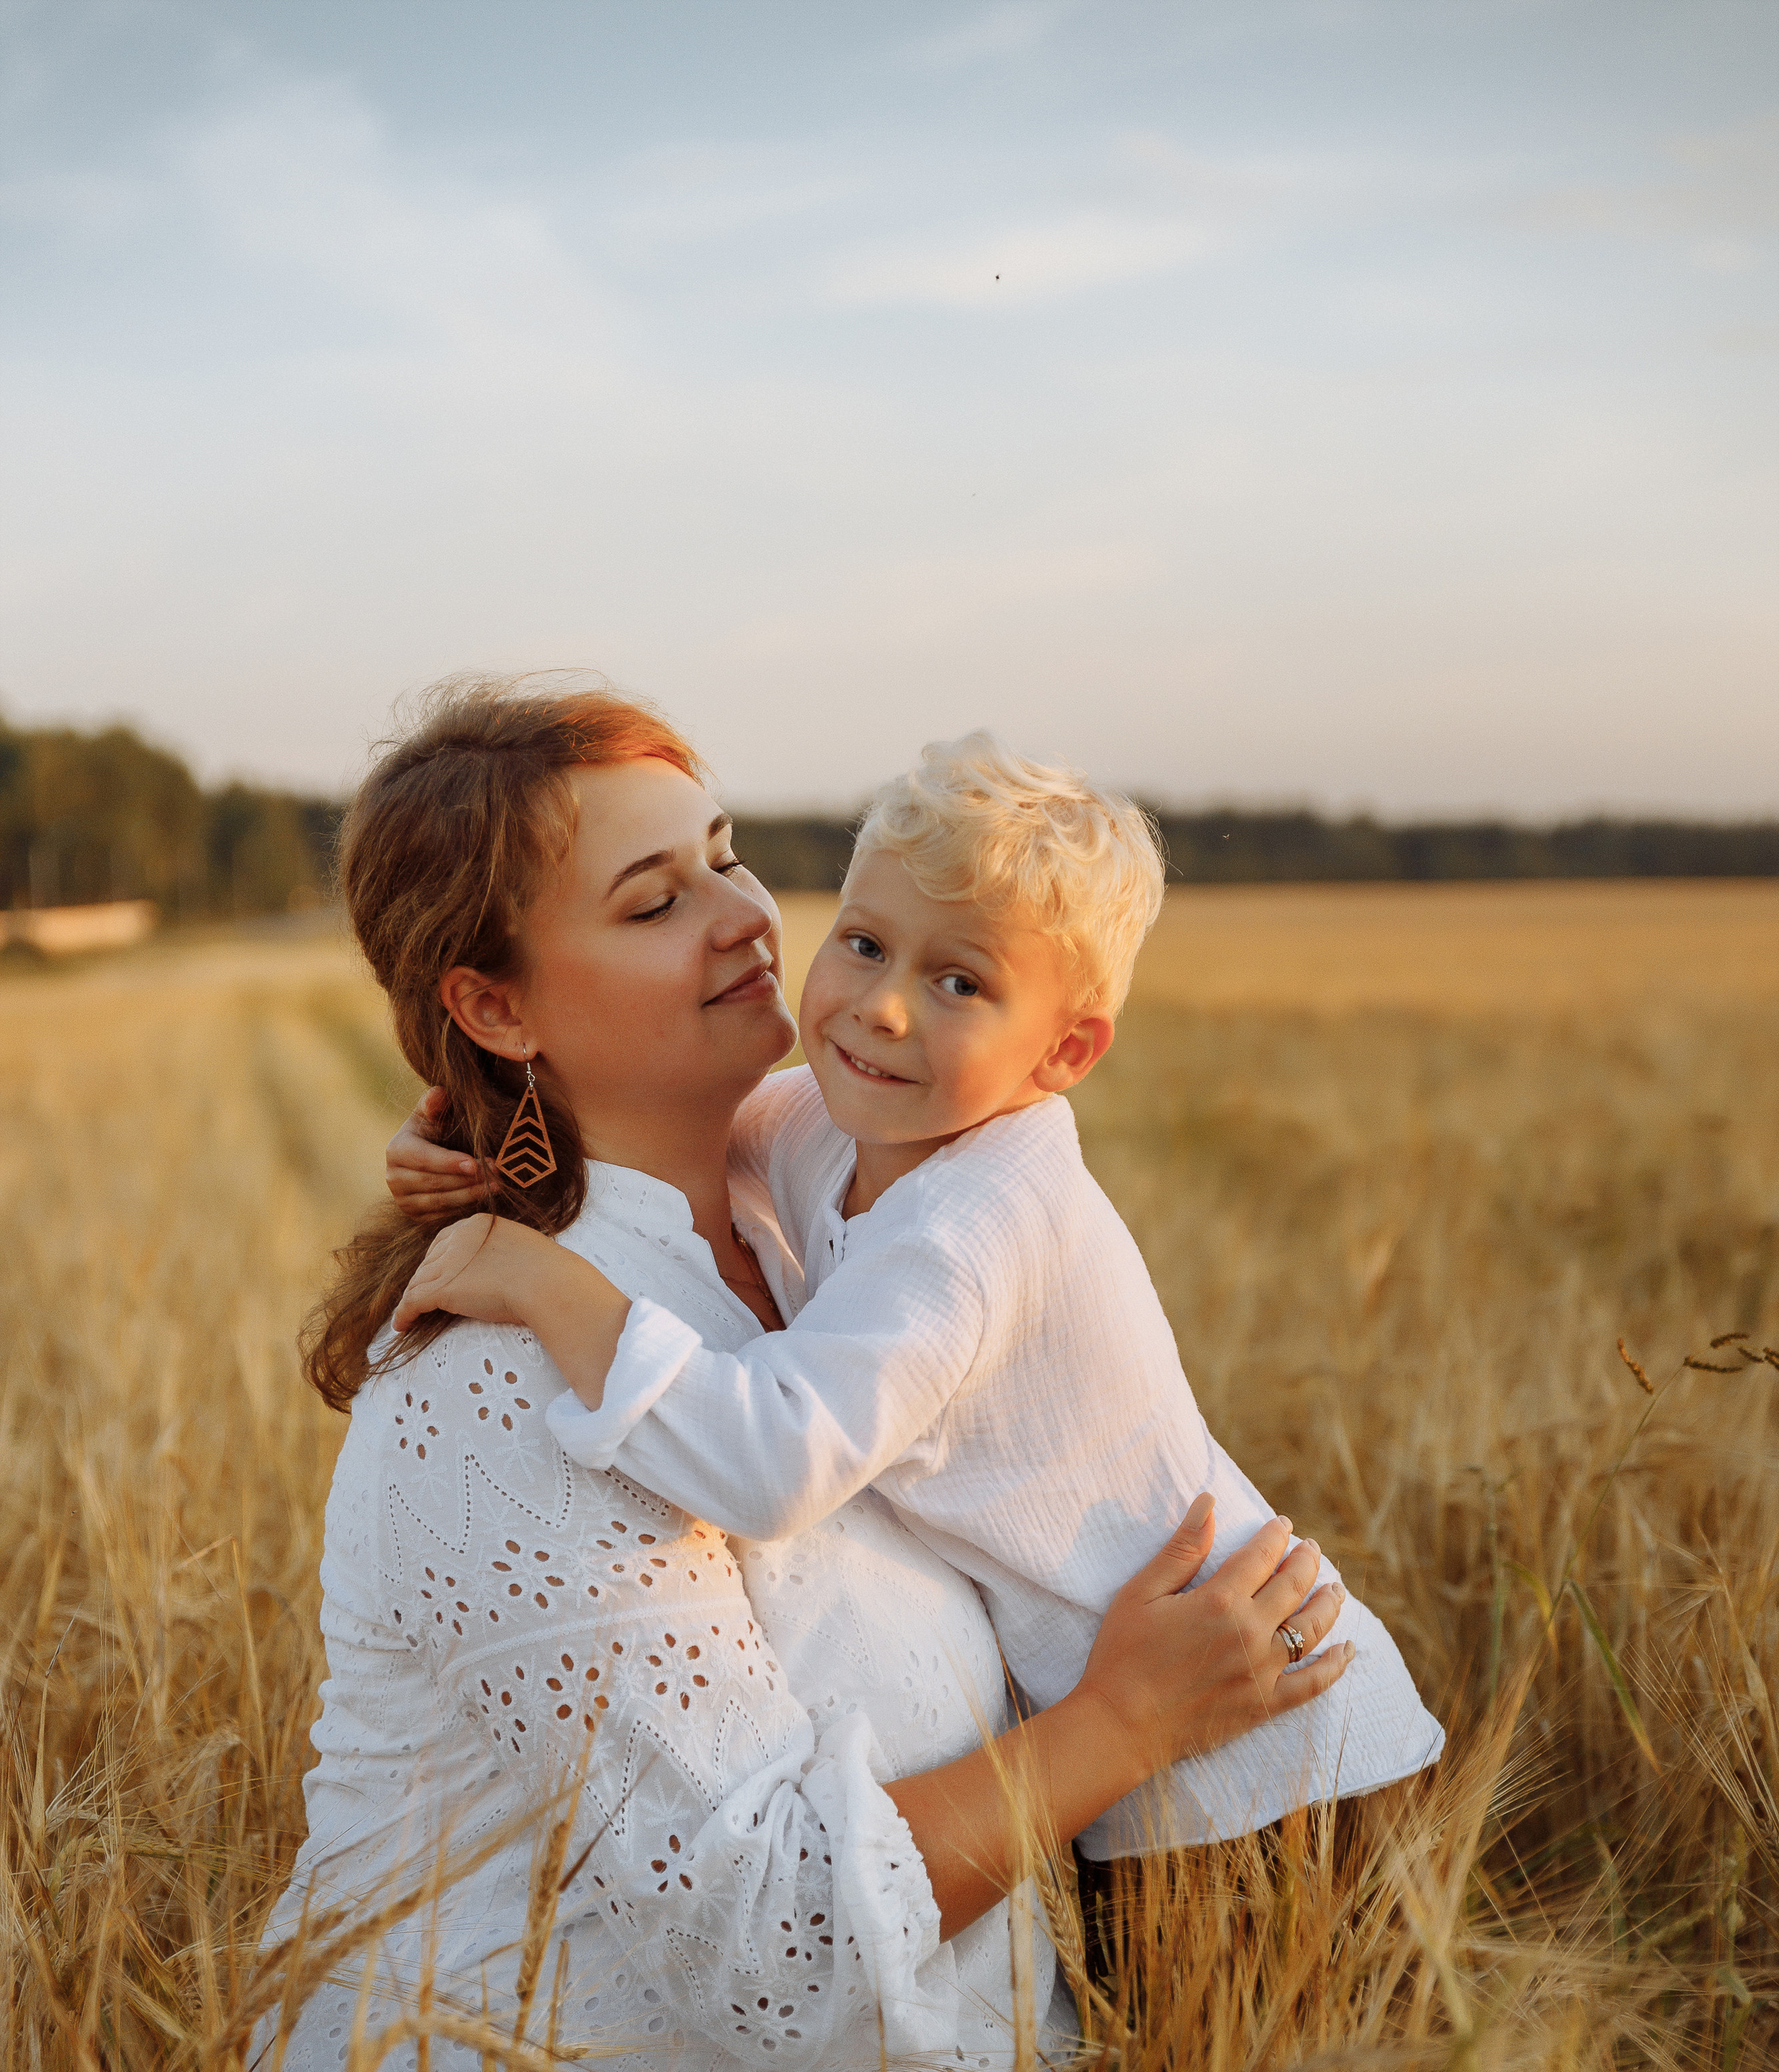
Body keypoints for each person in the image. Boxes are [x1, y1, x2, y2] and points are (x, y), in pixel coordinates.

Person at [260, 682, 1354, 2072]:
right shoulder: (504, 1390)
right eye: (651, 899)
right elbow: (767, 1944)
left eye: (733, 860)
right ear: (496, 1003)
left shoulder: (795, 1230)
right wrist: (1122, 1730)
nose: (745, 921)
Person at [388, 732, 1442, 1860]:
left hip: (1272, 1754)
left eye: (959, 983)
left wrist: (539, 1278)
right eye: (864, 943)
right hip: (1161, 1757)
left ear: (1066, 1052)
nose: (881, 1010)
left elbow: (774, 1461)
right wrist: (480, 1139)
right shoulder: (843, 1120)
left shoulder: (971, 1226)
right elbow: (646, 1129)